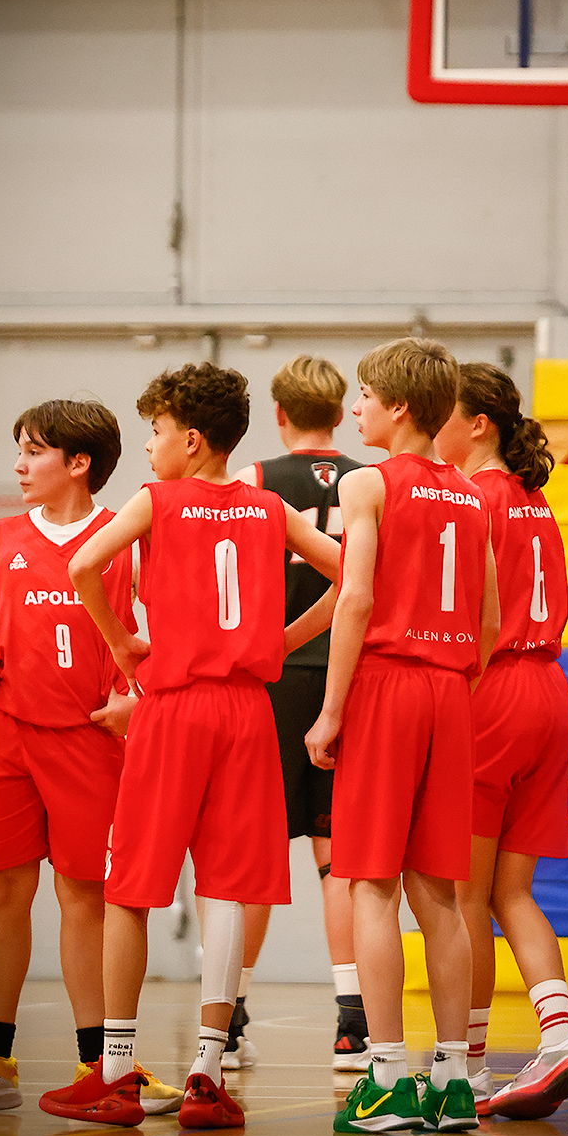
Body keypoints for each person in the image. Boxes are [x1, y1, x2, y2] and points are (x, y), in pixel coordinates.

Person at [37, 363, 341, 1129]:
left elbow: (81, 565)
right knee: (226, 887)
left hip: (173, 708)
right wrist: (283, 640)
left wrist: (122, 643)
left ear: (192, 440)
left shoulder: (158, 500)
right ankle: (208, 1072)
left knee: (130, 888)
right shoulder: (268, 506)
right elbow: (352, 574)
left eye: (157, 430)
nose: (149, 446)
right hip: (248, 710)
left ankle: (114, 1072)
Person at [0, 399, 179, 1116]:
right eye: (20, 450)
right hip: (3, 735)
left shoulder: (127, 537)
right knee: (2, 891)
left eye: (33, 451)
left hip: (89, 739)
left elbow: (172, 639)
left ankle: (104, 1065)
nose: (18, 465)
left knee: (85, 897)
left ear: (79, 463)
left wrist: (140, 698)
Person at [302, 337, 500, 1135]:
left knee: (371, 886)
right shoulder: (473, 495)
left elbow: (354, 600)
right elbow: (489, 621)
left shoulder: (367, 483)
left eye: (365, 396)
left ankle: (385, 1079)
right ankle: (453, 1081)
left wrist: (332, 709)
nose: (355, 409)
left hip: (387, 684)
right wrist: (451, 688)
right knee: (441, 896)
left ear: (400, 407)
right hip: (450, 690)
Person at [434, 363, 568, 1120]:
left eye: (443, 412)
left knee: (464, 893)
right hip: (550, 695)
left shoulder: (471, 497)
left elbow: (471, 613)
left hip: (493, 691)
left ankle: (466, 1068)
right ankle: (559, 1037)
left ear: (478, 425)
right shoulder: (535, 499)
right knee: (512, 891)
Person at [230, 356, 367, 1073]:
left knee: (254, 852)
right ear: (341, 415)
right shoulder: (367, 481)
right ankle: (352, 1023)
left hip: (274, 678)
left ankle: (229, 1018)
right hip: (346, 677)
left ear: (278, 415)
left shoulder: (252, 481)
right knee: (337, 855)